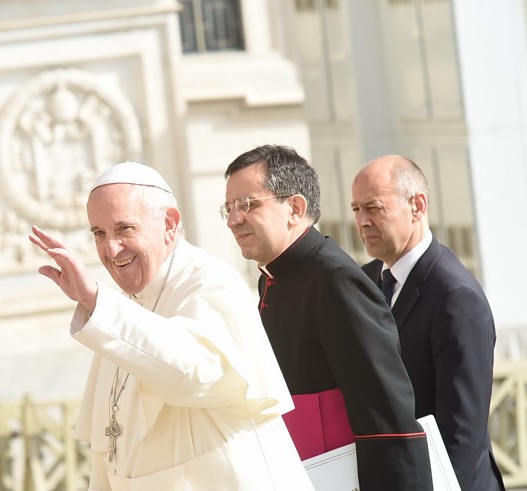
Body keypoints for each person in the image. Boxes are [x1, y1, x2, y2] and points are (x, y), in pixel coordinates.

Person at [29, 161, 314, 490]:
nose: (110, 249)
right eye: (99, 234)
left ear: (169, 223)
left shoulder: (210, 281)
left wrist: (96, 300)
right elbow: (107, 451)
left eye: (124, 229)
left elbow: (196, 373)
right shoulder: (126, 303)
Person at [222, 144, 433, 491]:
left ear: (295, 208)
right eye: (228, 208)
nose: (233, 220)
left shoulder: (336, 280)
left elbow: (387, 416)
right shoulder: (270, 279)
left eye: (247, 204)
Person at [351, 154, 505, 491]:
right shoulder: (366, 281)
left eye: (373, 208)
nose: (361, 221)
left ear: (417, 206)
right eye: (356, 209)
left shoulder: (455, 295)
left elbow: (462, 433)